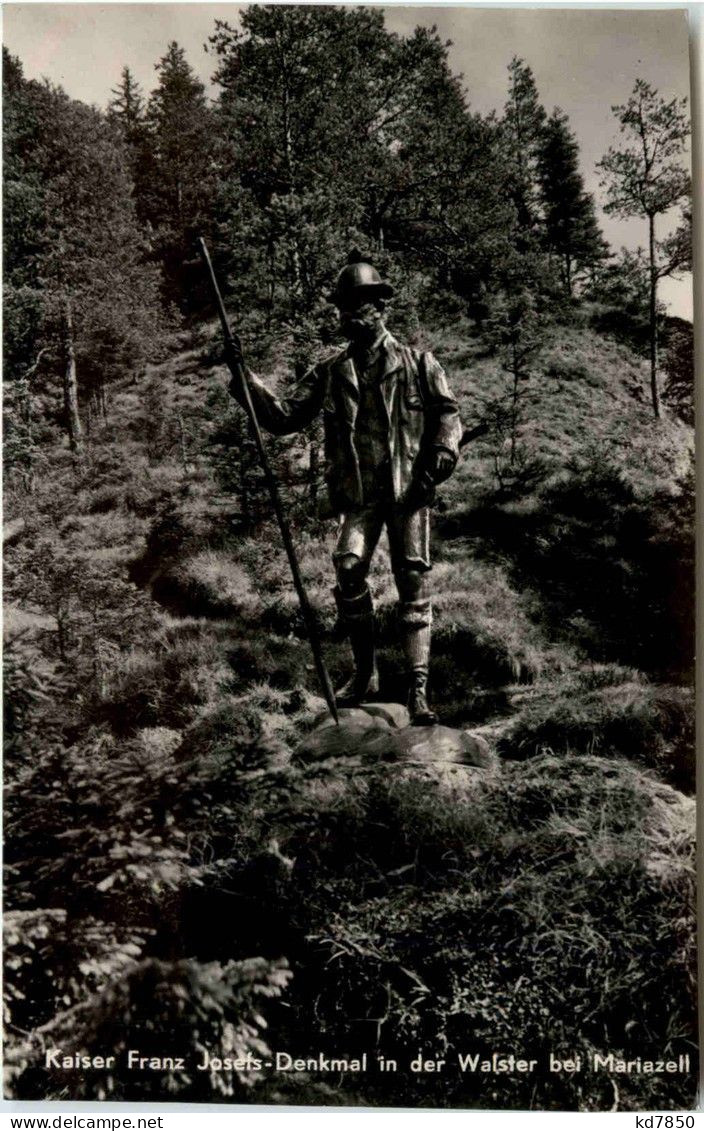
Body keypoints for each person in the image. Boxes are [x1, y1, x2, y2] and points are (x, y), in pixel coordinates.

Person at [225, 253, 462, 725]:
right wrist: (244, 377)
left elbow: (448, 414)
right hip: (360, 493)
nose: (349, 312)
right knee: (347, 565)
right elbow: (284, 417)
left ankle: (418, 692)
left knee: (411, 578)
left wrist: (442, 451)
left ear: (379, 307)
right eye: (344, 305)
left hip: (409, 489)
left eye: (359, 303)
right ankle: (365, 673)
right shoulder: (332, 371)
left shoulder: (419, 363)